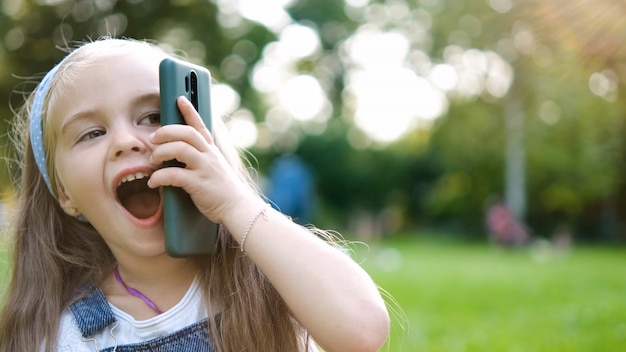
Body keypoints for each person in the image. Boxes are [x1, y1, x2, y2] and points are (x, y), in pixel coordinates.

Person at [0, 37, 389, 352]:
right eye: (92, 133)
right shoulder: (63, 336)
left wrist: (236, 203)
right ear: (65, 193)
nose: (125, 141)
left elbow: (363, 332)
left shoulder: (269, 274)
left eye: (152, 117)